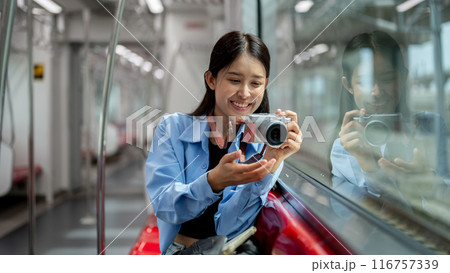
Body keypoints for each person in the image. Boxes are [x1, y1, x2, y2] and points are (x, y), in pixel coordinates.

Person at [146, 31, 302, 254]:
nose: (245, 93)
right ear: (211, 79)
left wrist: (269, 164)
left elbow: (231, 228)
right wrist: (212, 182)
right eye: (234, 80)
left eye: (256, 83)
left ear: (265, 84)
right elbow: (164, 206)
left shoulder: (265, 144)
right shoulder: (172, 129)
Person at [330, 31, 449, 212]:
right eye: (365, 82)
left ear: (403, 78)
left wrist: (431, 185)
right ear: (348, 86)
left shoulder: (431, 126)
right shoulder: (345, 147)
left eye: (386, 79)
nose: (376, 92)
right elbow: (350, 223)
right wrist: (368, 166)